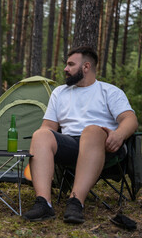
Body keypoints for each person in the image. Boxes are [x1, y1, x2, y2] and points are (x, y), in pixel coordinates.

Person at [22, 46, 138, 224]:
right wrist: (43, 138)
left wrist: (119, 135)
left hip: (102, 145)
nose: (65, 69)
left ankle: (76, 201)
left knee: (91, 130)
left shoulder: (109, 92)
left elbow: (130, 119)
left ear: (86, 67)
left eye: (70, 64)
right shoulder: (59, 93)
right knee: (41, 134)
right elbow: (48, 127)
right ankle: (44, 203)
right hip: (70, 145)